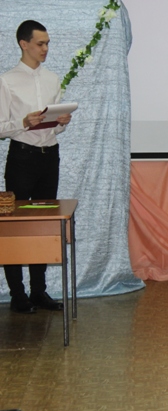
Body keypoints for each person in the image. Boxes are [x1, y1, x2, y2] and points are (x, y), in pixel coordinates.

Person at [0, 20, 72, 313]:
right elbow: (1, 127)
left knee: (43, 223)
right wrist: (23, 122)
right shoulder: (6, 81)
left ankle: (39, 291)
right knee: (15, 226)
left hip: (49, 156)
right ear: (24, 44)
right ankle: (18, 294)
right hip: (22, 157)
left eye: (47, 43)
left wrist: (61, 122)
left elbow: (55, 127)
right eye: (40, 43)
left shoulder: (52, 79)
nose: (45, 49)